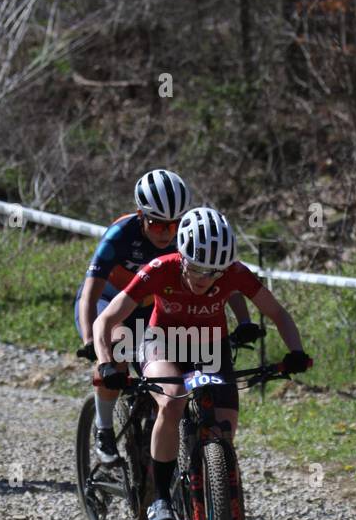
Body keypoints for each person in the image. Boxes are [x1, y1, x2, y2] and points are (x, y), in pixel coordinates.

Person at [93, 206, 311, 520]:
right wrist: (107, 361)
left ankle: (212, 493)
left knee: (223, 428)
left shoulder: (236, 274)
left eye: (214, 273)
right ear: (181, 256)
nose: (203, 280)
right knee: (173, 399)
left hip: (209, 349)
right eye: (195, 268)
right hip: (161, 343)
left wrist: (295, 352)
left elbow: (278, 313)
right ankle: (161, 500)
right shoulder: (159, 270)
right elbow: (105, 320)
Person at [75, 169, 258, 464]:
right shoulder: (120, 235)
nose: (166, 232)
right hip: (108, 302)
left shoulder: (189, 234)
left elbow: (226, 280)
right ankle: (104, 429)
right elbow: (90, 293)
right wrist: (89, 340)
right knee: (118, 349)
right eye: (157, 223)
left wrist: (244, 321)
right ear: (140, 214)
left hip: (149, 306)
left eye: (173, 224)